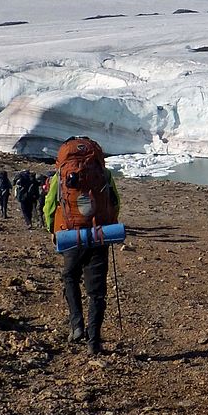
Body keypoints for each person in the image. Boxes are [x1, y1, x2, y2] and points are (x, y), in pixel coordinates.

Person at [42, 137, 121, 355]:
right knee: (97, 292)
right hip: (99, 235)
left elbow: (50, 203)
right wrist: (108, 224)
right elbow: (115, 201)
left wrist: (51, 229)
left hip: (71, 235)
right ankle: (94, 341)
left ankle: (77, 324)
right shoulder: (104, 173)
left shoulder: (61, 174)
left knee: (70, 277)